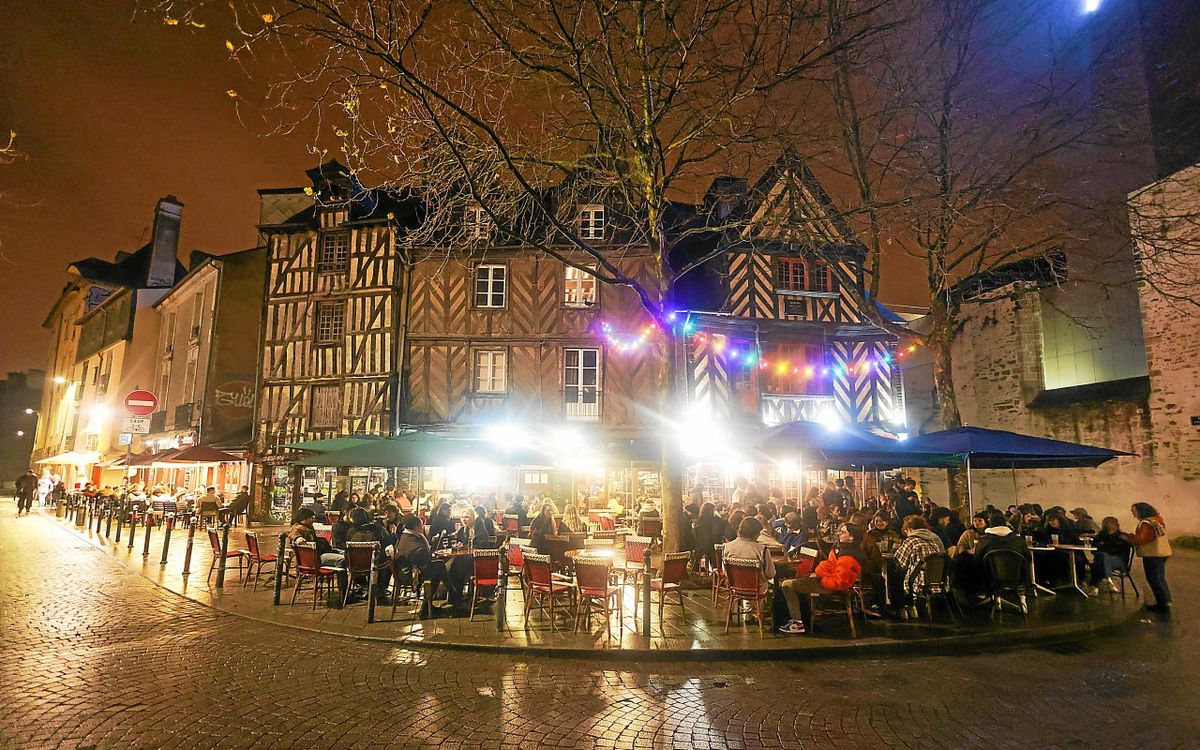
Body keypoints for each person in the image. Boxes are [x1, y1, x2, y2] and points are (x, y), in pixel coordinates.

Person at [395, 515, 469, 617]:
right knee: (439, 568)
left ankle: (429, 606)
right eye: (422, 525)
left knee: (439, 567)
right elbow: (419, 555)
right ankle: (454, 598)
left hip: (414, 569)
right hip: (410, 573)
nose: (423, 527)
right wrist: (430, 551)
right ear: (416, 527)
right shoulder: (409, 539)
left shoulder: (407, 536)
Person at [1124, 502, 1172, 613]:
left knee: (1154, 578)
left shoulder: (1146, 523)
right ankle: (1166, 602)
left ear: (1141, 511)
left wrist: (1128, 538)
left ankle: (1162, 605)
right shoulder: (1156, 520)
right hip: (1161, 553)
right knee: (1159, 578)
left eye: (1134, 511)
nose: (1133, 514)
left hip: (1152, 554)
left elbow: (1142, 539)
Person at [891, 515, 945, 614]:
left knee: (894, 573)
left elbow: (899, 561)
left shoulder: (911, 540)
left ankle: (902, 608)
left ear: (909, 529)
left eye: (906, 532)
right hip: (938, 581)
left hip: (918, 580)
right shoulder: (932, 540)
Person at [344, 507, 393, 604]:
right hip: (376, 563)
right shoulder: (379, 529)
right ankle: (380, 589)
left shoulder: (351, 531)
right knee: (389, 561)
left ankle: (362, 586)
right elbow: (389, 544)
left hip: (355, 565)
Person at [1086, 516, 1132, 595]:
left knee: (1100, 558)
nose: (1116, 524)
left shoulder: (1121, 536)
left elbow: (1115, 550)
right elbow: (1094, 547)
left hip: (1119, 560)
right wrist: (1104, 547)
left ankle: (1095, 586)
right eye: (1109, 523)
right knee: (1102, 557)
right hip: (1104, 559)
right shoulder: (1102, 534)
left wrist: (1103, 546)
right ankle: (1109, 579)